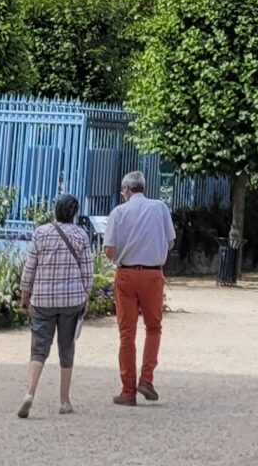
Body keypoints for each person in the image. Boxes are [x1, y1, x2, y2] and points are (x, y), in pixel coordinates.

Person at [17, 193, 94, 418]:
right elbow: (87, 272)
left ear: (55, 210)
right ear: (75, 213)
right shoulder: (81, 235)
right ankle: (64, 400)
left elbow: (30, 266)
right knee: (67, 348)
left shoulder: (41, 233)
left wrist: (25, 293)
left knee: (38, 349)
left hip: (42, 299)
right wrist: (86, 295)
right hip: (71, 299)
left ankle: (30, 393)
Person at [105, 168, 175, 406]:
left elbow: (109, 250)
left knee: (127, 334)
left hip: (126, 274)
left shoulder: (118, 212)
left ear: (126, 189)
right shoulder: (160, 208)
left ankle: (128, 391)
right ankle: (147, 378)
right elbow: (171, 241)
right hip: (153, 274)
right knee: (153, 328)